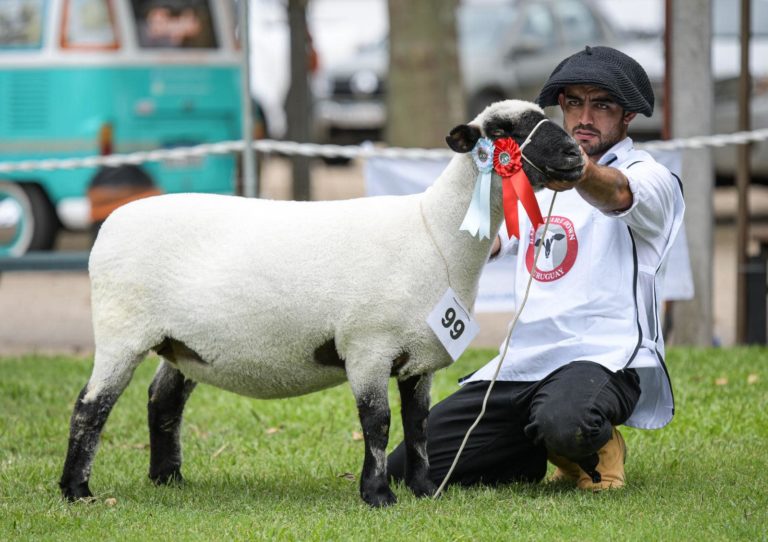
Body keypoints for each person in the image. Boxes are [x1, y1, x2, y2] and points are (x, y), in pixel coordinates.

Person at [388, 46, 685, 491]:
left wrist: (578, 169)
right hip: (519, 365)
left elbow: (619, 194)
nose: (584, 117)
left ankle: (590, 445)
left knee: (566, 421)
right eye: (573, 103)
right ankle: (527, 452)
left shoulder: (651, 175)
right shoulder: (533, 178)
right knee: (406, 470)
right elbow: (485, 242)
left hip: (602, 358)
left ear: (627, 117)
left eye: (601, 105)